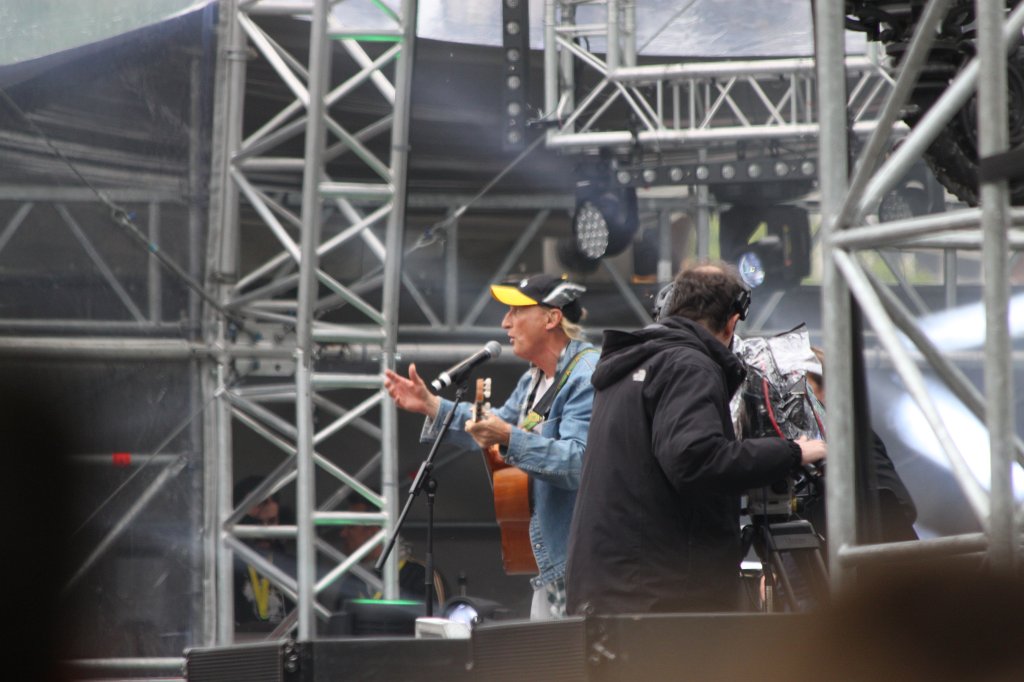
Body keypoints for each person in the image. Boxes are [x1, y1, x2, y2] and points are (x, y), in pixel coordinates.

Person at [565, 262, 827, 615]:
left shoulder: (630, 364)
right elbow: (695, 461)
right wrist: (792, 452)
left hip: (612, 590)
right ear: (732, 323)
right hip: (664, 601)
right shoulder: (688, 365)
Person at [384, 273, 597, 619]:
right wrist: (432, 405)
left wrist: (509, 437)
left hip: (582, 566)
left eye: (516, 310)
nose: (505, 322)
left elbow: (578, 463)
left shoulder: (586, 375)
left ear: (552, 317)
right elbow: (491, 424)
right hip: (555, 562)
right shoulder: (534, 378)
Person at [335, 498, 447, 606]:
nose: (343, 533)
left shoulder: (421, 575)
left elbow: (437, 623)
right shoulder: (352, 580)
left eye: (350, 527)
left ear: (373, 530)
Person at [232, 476, 294, 630]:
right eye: (258, 523)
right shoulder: (227, 564)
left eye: (271, 522)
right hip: (240, 643)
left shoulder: (291, 564)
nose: (267, 505)